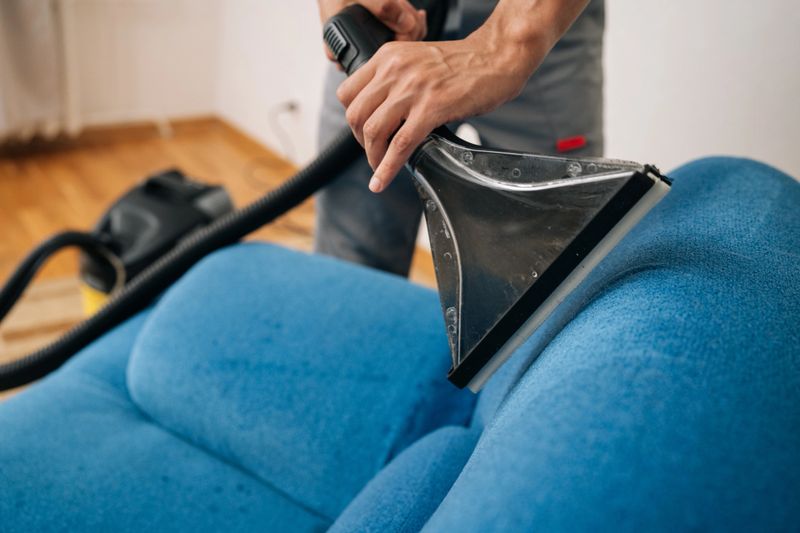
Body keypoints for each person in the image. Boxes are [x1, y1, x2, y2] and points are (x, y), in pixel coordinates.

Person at [315, 0, 604, 276]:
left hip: (540, 28)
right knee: (352, 263)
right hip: (381, 28)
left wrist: (507, 46)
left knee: (551, 263)